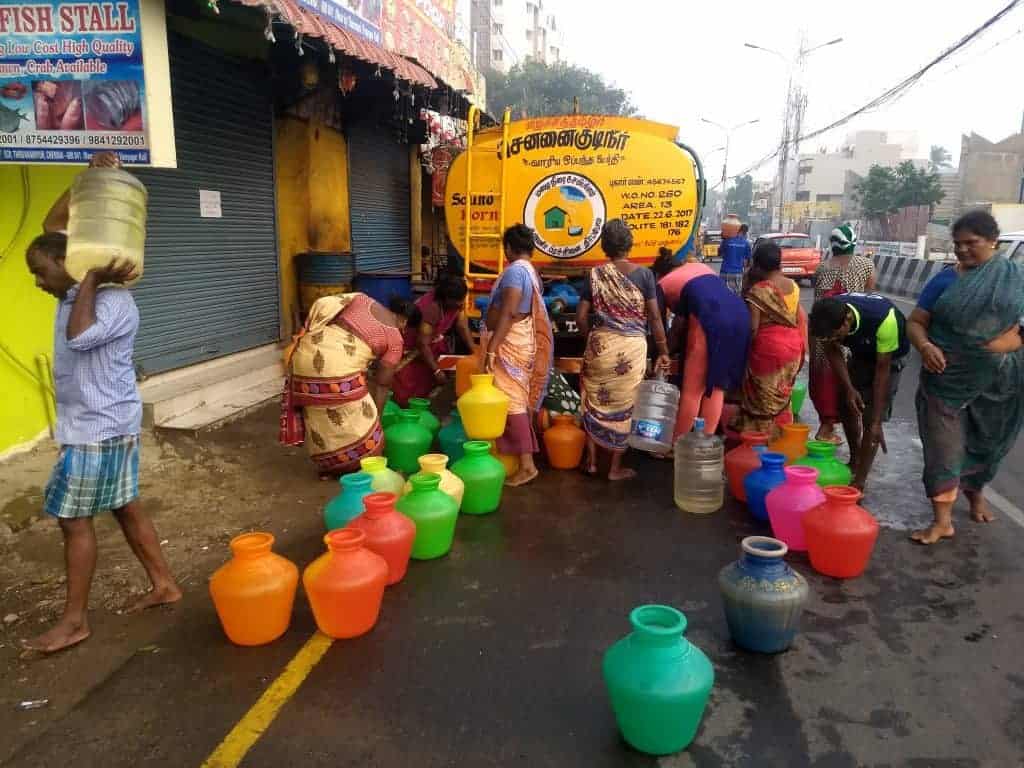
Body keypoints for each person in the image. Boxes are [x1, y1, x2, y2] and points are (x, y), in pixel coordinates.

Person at [23, 229, 181, 653]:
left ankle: (74, 622)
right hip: (96, 423)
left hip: (100, 427)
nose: (38, 283)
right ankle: (164, 585)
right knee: (124, 505)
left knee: (74, 521)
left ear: (65, 262)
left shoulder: (112, 301)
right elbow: (54, 221)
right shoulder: (71, 297)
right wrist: (89, 175)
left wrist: (90, 277)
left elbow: (79, 338)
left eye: (40, 272)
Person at [906, 210, 1024, 544]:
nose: (962, 250)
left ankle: (975, 495)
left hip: (1000, 383)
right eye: (957, 244)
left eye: (971, 243)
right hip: (945, 379)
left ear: (993, 241)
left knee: (986, 444)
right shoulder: (944, 280)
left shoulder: (1015, 278)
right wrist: (926, 346)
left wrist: (1007, 343)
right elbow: (915, 322)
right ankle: (942, 520)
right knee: (943, 447)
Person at [280, 292, 418, 477]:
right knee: (369, 434)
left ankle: (327, 468)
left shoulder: (361, 298)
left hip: (304, 358)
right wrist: (376, 417)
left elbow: (324, 303)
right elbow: (383, 383)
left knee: (319, 417)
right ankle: (354, 469)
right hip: (335, 372)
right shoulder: (395, 339)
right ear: (405, 322)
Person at [577, 219, 670, 479]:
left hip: (600, 345)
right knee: (625, 404)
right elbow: (654, 317)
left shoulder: (594, 275)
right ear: (629, 244)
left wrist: (592, 340)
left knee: (592, 399)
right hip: (631, 350)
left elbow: (581, 317)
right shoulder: (644, 275)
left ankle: (592, 461)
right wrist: (662, 350)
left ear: (605, 246)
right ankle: (615, 469)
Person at [808, 292, 910, 491]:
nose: (834, 338)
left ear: (847, 321)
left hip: (889, 358)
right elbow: (832, 350)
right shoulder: (827, 317)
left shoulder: (884, 320)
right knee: (847, 404)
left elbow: (882, 371)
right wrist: (849, 389)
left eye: (837, 335)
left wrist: (877, 420)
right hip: (861, 354)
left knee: (871, 418)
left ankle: (859, 482)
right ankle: (854, 460)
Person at [482, 224, 554, 487]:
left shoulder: (514, 272)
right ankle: (519, 458)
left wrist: (492, 348)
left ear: (509, 249)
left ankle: (526, 465)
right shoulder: (530, 272)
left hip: (511, 343)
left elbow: (509, 312)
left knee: (512, 403)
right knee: (516, 400)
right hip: (519, 341)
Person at [669, 256, 751, 438]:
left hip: (713, 322)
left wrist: (665, 351)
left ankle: (676, 442)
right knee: (716, 386)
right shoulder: (705, 274)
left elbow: (678, 327)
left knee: (692, 390)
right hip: (741, 319)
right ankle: (705, 441)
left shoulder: (672, 284)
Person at [810, 224, 876, 444]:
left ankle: (827, 424)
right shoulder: (866, 265)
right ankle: (848, 440)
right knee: (849, 381)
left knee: (825, 378)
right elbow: (869, 298)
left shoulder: (821, 268)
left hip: (823, 333)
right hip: (850, 334)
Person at [733, 241, 807, 437]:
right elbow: (799, 319)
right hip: (793, 348)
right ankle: (783, 436)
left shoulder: (758, 290)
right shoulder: (793, 286)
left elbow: (753, 328)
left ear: (757, 265)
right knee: (783, 393)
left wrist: (744, 356)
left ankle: (762, 439)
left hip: (768, 350)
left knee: (762, 398)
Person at [390, 273, 476, 406]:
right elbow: (422, 343)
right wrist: (436, 370)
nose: (460, 304)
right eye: (457, 302)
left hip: (433, 344)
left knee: (429, 386)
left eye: (461, 300)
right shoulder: (432, 309)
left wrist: (475, 352)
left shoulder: (456, 302)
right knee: (407, 391)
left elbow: (462, 325)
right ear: (446, 298)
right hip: (414, 349)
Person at [718, 223, 751, 295]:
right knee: (736, 296)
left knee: (723, 295)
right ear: (744, 232)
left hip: (725, 272)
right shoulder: (746, 243)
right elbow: (747, 262)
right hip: (738, 273)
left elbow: (720, 254)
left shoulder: (726, 241)